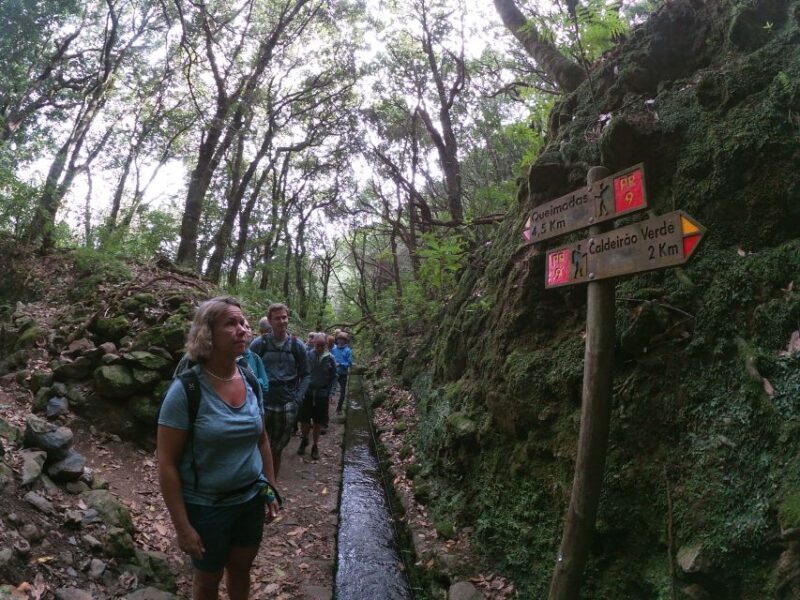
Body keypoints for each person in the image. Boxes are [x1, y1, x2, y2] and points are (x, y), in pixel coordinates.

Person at [157, 296, 280, 600]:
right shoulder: (186, 390)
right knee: (208, 579)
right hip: (207, 508)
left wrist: (270, 488)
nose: (242, 329)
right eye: (231, 323)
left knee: (241, 569)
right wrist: (182, 526)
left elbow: (262, 440)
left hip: (250, 500)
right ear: (207, 333)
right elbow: (167, 463)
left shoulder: (250, 379)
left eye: (244, 323)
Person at [250, 302, 309, 479]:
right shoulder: (259, 344)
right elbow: (247, 370)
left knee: (277, 449)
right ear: (270, 321)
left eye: (284, 317)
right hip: (263, 403)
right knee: (257, 445)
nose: (282, 321)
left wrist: (297, 399)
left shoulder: (297, 345)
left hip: (287, 403)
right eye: (278, 318)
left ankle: (271, 487)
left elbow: (306, 374)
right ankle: (256, 484)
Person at [297, 333, 337, 460]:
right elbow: (301, 373)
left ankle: (315, 445)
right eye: (317, 345)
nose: (319, 347)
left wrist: (331, 393)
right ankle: (304, 440)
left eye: (322, 345)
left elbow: (334, 377)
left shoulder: (330, 358)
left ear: (326, 345)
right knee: (304, 420)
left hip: (321, 394)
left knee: (318, 422)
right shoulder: (308, 355)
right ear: (313, 344)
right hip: (307, 392)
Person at [241, 321, 269, 398]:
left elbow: (265, 386)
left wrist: (248, 382)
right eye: (243, 326)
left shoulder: (255, 358)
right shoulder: (231, 357)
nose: (247, 330)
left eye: (248, 327)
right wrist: (257, 381)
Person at [330, 331, 353, 415]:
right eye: (339, 339)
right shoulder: (333, 349)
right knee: (331, 389)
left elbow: (349, 364)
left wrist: (340, 364)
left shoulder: (348, 351)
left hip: (343, 374)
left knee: (342, 391)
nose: (340, 340)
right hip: (333, 373)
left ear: (345, 340)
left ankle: (339, 408)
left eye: (342, 339)